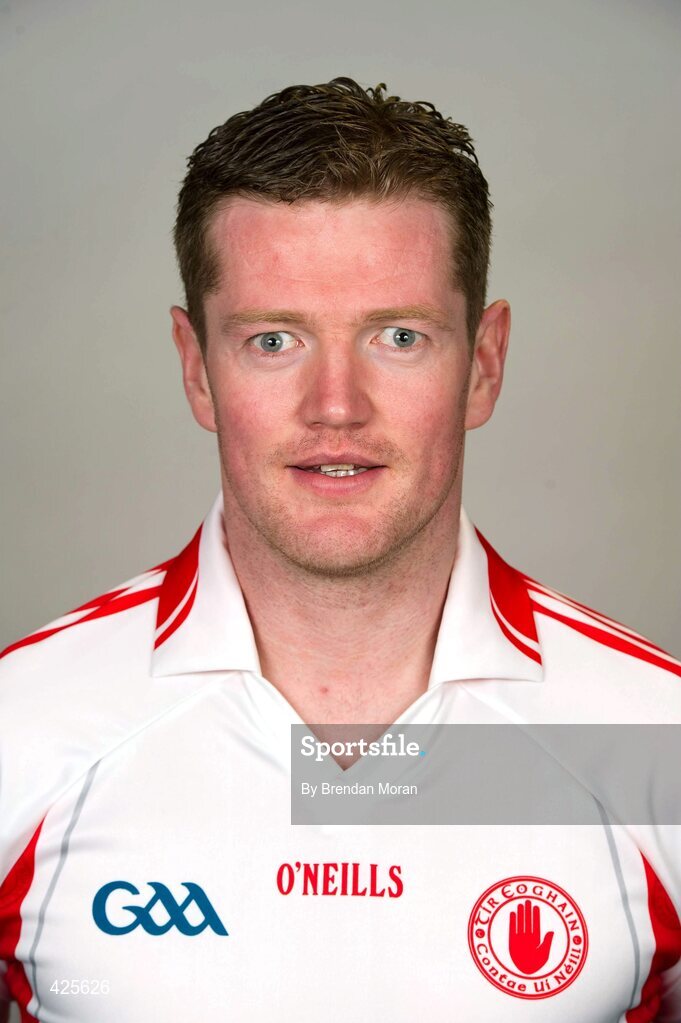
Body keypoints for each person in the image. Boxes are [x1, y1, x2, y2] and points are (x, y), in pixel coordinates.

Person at [1, 77, 680, 1022]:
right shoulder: (20, 729)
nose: (335, 406)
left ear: (482, 365)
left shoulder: (656, 741)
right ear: (196, 369)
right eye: (273, 340)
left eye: (398, 336)